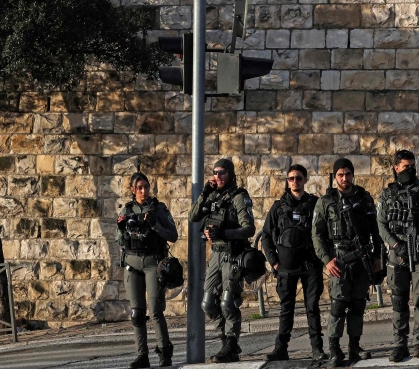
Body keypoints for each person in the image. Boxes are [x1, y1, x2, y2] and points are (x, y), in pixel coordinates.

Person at [313, 158, 382, 367]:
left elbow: (375, 230)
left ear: (353, 175)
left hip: (362, 259)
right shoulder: (326, 202)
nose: (344, 178)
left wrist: (378, 256)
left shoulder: (364, 198)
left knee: (358, 304)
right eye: (340, 175)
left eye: (348, 174)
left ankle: (354, 346)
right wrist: (327, 261)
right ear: (335, 177)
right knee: (338, 305)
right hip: (339, 260)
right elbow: (317, 235)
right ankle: (334, 349)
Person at [377, 150, 419, 362]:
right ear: (396, 168)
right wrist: (396, 244)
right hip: (397, 253)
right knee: (398, 300)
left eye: (413, 166)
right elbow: (381, 224)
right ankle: (399, 343)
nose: (410, 170)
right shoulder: (387, 194)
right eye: (406, 166)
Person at [189, 158, 255, 363]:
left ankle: (230, 344)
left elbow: (249, 228)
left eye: (222, 173)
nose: (217, 176)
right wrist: (205, 194)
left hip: (232, 254)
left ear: (230, 174)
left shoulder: (239, 197)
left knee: (228, 303)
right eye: (215, 173)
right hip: (216, 255)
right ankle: (226, 339)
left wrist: (224, 232)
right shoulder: (213, 196)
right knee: (208, 304)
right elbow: (193, 216)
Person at [261, 164, 326, 362]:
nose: (295, 181)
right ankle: (281, 349)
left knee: (312, 307)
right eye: (291, 178)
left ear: (305, 180)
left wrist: (322, 259)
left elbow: (324, 232)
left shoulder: (315, 204)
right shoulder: (278, 207)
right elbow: (266, 236)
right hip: (286, 267)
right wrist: (274, 263)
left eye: (298, 178)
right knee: (286, 309)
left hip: (310, 265)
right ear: (287, 181)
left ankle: (317, 348)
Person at [117, 172, 178, 369]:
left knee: (155, 311)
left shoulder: (158, 209)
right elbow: (120, 240)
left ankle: (164, 352)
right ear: (133, 190)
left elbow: (173, 235)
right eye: (140, 188)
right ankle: (142, 355)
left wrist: (155, 224)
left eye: (146, 187)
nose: (144, 191)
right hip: (132, 264)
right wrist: (121, 227)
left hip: (153, 262)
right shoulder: (127, 210)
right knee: (136, 313)